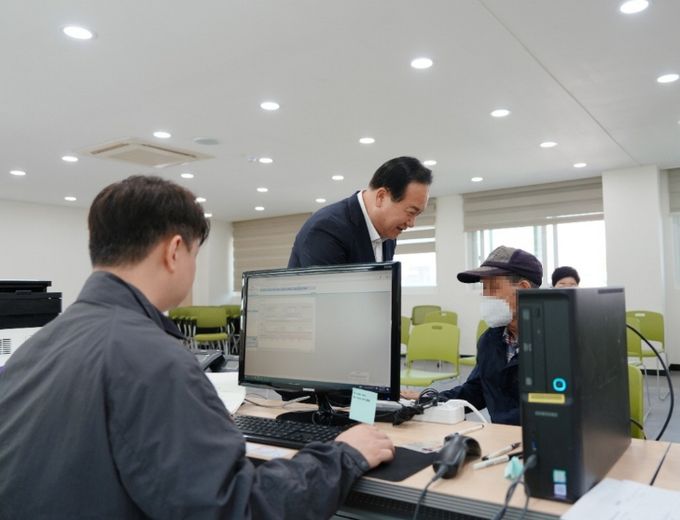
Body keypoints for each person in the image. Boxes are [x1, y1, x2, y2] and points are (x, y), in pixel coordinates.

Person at [0, 175, 394, 519]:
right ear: (174, 251)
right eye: (195, 254)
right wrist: (343, 455)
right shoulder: (152, 359)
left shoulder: (35, 349)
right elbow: (237, 508)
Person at [402, 246, 543, 425]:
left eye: (493, 287)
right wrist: (430, 399)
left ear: (523, 289)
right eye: (484, 287)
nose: (485, 295)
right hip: (502, 436)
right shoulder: (490, 340)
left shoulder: (557, 341)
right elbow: (475, 391)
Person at [288, 156, 432, 267]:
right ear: (381, 197)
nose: (412, 223)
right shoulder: (327, 229)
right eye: (410, 212)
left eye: (417, 215)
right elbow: (328, 296)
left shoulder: (387, 235)